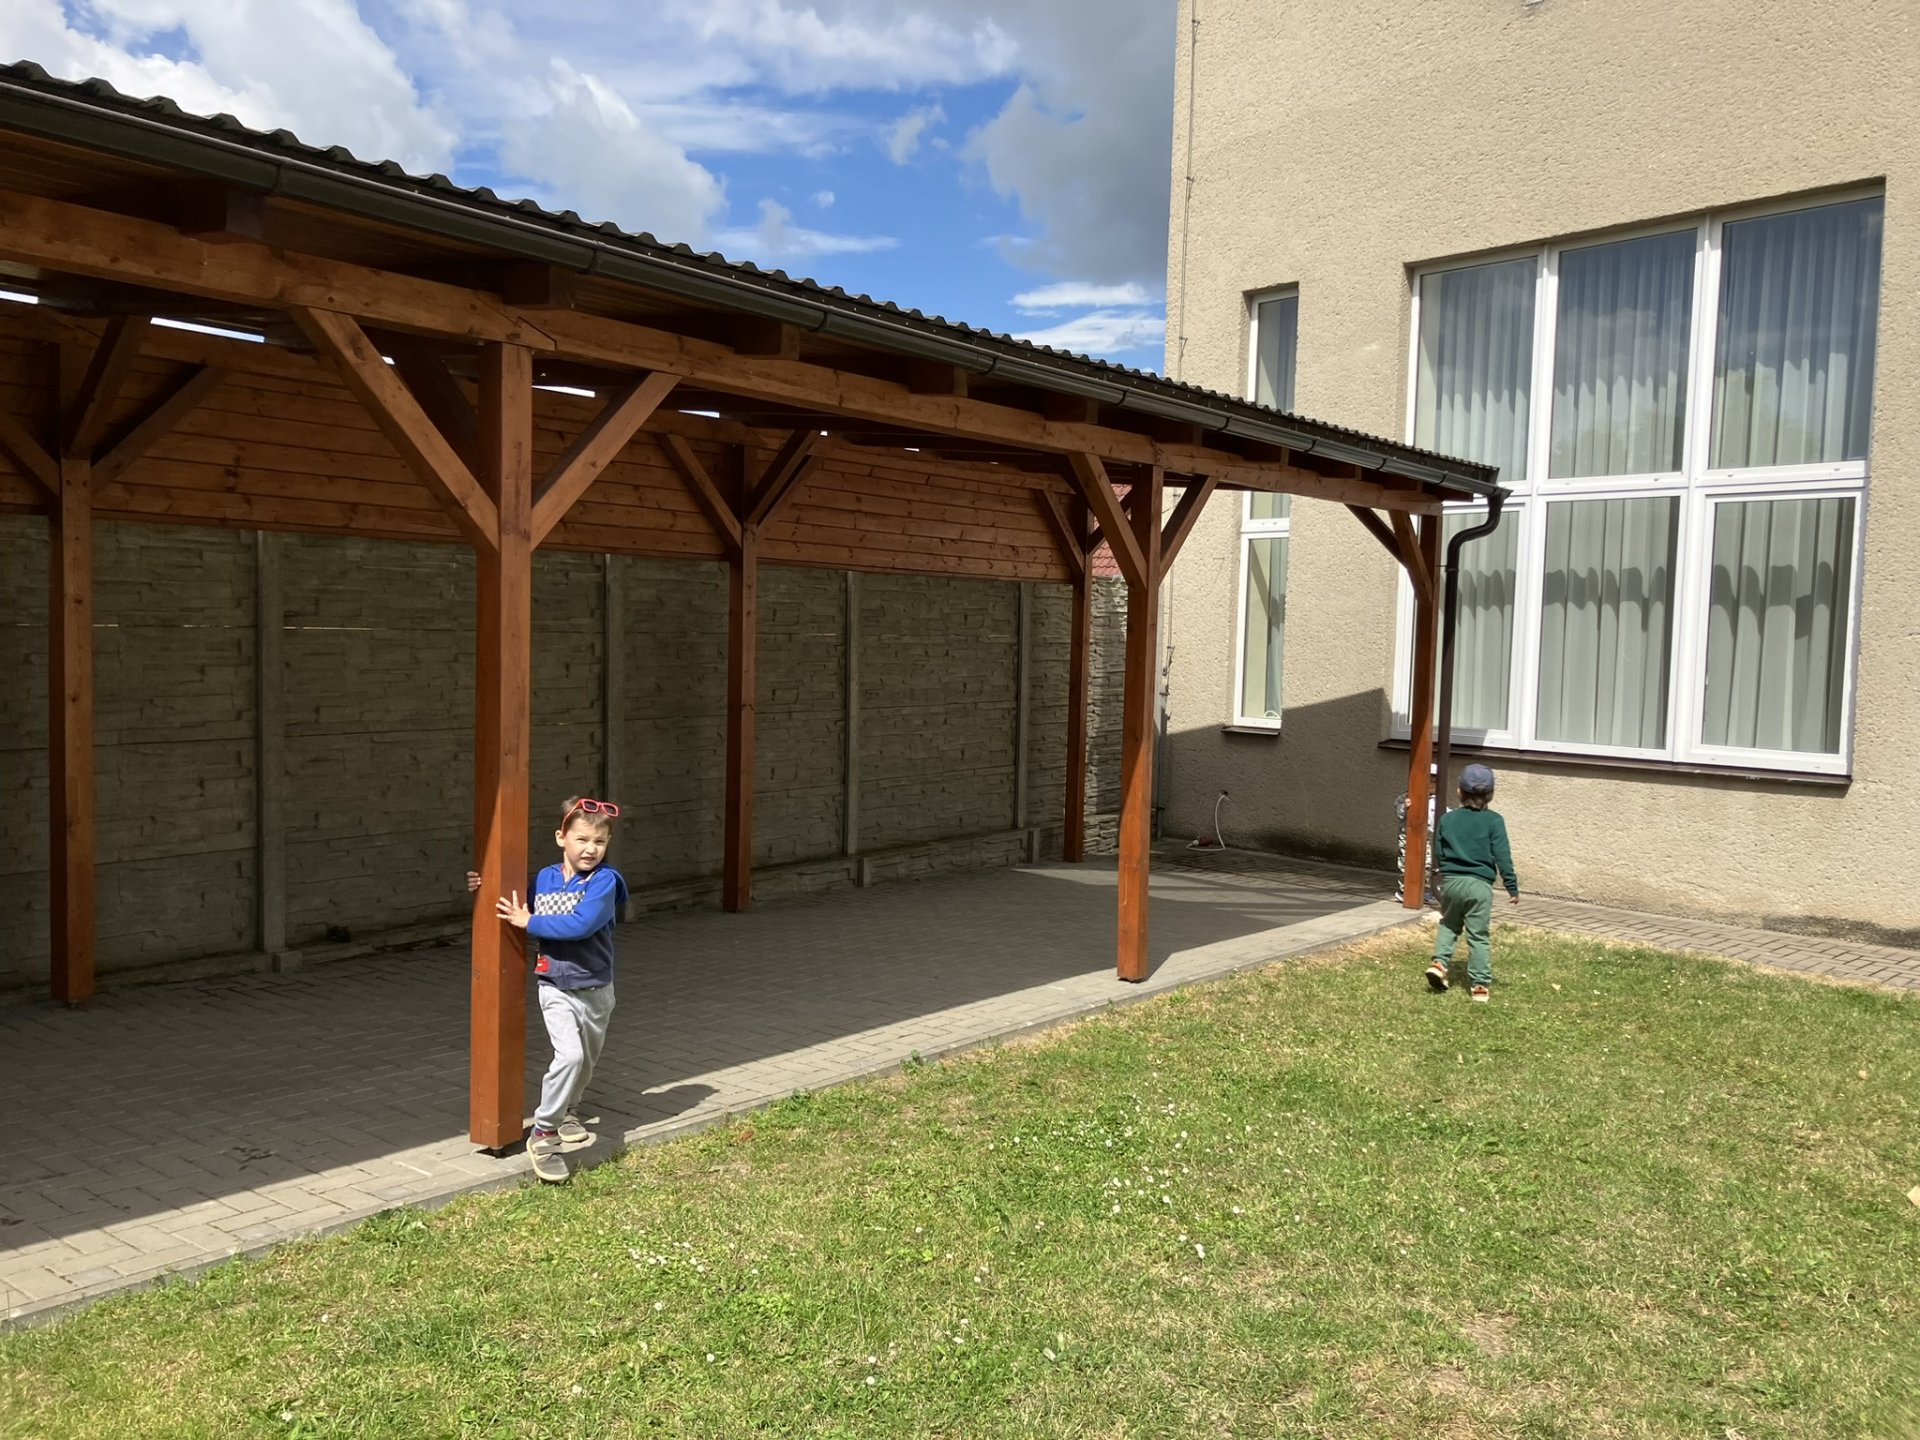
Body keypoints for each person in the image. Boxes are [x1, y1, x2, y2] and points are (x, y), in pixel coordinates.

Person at [469, 796, 629, 1183]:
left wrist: (530, 922)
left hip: (596, 987)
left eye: (599, 842)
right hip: (555, 984)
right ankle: (544, 1134)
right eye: (582, 839)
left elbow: (580, 925)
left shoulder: (604, 881)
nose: (590, 849)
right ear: (561, 838)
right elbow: (513, 903)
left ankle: (570, 1109)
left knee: (585, 1062)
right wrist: (484, 885)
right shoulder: (544, 878)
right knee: (570, 1056)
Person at [1424, 763, 1518, 1004]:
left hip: (1452, 883)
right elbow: (1503, 856)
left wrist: (1442, 872)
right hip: (1479, 886)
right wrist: (1511, 886)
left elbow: (1438, 850)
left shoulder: (1448, 819)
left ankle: (1439, 963)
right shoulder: (1494, 821)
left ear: (1459, 792)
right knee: (1478, 935)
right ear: (1491, 794)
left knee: (1449, 924)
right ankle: (1479, 985)